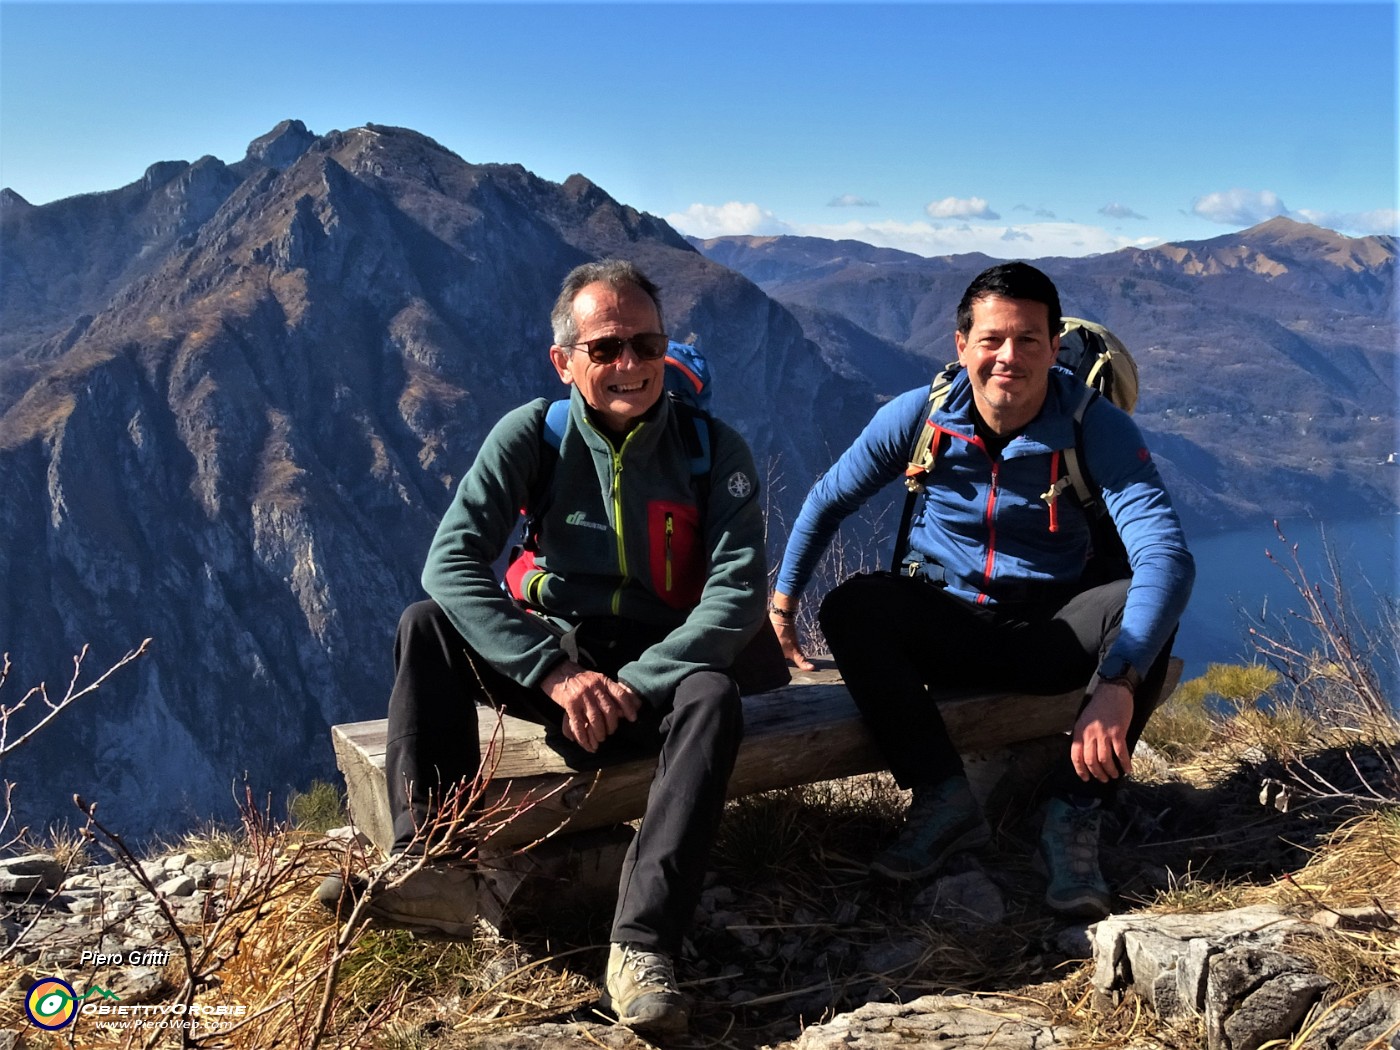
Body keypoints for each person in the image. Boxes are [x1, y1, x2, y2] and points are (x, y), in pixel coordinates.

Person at [323, 260, 773, 1036]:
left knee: (712, 695)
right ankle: (427, 864)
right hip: (558, 657)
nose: (629, 365)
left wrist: (633, 682)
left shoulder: (712, 450)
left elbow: (735, 595)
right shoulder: (533, 435)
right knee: (424, 623)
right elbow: (451, 562)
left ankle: (641, 948)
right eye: (605, 348)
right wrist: (555, 673)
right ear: (565, 362)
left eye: (646, 344)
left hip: (655, 672)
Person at [768, 261, 1194, 920]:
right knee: (855, 606)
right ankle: (944, 799)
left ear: (1055, 349)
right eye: (992, 339)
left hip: (1054, 632)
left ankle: (1074, 812)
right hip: (951, 627)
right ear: (961, 344)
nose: (1009, 357)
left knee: (1146, 612)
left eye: (1028, 340)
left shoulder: (1091, 426)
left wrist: (1118, 680)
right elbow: (829, 497)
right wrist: (784, 600)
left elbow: (1165, 555)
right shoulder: (922, 417)